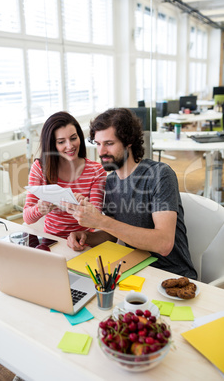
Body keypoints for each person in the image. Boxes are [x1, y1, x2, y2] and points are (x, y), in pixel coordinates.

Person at [64, 108, 197, 279]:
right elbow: (112, 234)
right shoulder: (111, 182)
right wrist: (86, 236)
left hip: (172, 277)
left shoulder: (159, 175)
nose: (101, 151)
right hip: (134, 272)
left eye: (109, 143)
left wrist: (100, 220)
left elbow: (164, 243)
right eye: (98, 144)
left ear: (129, 142)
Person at [23, 111, 107, 239]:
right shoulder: (40, 168)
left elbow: (96, 220)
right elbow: (27, 218)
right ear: (52, 145)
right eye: (61, 142)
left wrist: (82, 207)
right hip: (52, 240)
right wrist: (40, 209)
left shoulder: (96, 171)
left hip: (83, 240)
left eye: (73, 138)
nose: (70, 146)